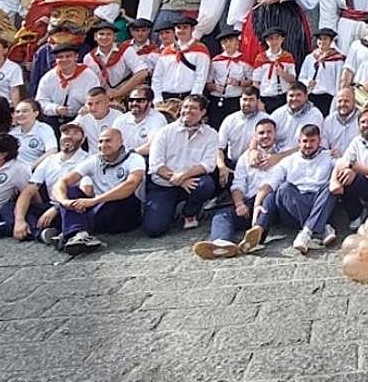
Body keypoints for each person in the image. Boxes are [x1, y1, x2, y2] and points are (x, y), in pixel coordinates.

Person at [193, 117, 283, 260]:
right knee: (222, 215)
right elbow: (238, 184)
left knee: (269, 198)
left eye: (269, 132)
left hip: (270, 204)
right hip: (248, 202)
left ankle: (257, 234)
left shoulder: (282, 157)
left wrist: (257, 204)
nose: (265, 136)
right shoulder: (245, 157)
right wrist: (239, 204)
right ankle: (222, 244)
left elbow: (271, 185)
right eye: (261, 133)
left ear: (275, 134)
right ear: (255, 136)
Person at [52, 127, 146, 253]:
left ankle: (68, 232)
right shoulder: (94, 160)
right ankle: (78, 234)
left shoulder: (134, 158)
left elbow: (131, 184)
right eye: (100, 141)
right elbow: (62, 182)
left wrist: (95, 201)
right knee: (70, 190)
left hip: (125, 210)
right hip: (100, 208)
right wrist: (65, 202)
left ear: (120, 142)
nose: (103, 145)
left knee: (119, 197)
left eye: (108, 141)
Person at [0, 121, 87, 244]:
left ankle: (13, 228)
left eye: (75, 133)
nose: (69, 136)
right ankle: (33, 231)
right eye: (66, 133)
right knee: (9, 207)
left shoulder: (87, 159)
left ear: (83, 139)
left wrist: (57, 207)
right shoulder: (50, 160)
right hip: (49, 205)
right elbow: (29, 190)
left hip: (70, 207)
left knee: (72, 195)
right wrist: (19, 220)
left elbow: (84, 193)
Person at [143, 96, 218, 237]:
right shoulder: (165, 132)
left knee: (206, 185)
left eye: (193, 108)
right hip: (163, 185)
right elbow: (156, 165)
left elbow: (208, 165)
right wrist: (179, 180)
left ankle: (189, 212)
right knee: (154, 229)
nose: (188, 111)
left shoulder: (211, 134)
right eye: (185, 107)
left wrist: (183, 176)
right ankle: (170, 209)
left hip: (191, 182)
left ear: (203, 112)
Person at [274, 123, 337, 254]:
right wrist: (259, 202)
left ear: (319, 141)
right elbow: (272, 181)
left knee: (330, 187)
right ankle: (322, 227)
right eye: (304, 141)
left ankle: (306, 233)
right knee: (284, 188)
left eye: (312, 141)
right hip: (296, 204)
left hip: (319, 201)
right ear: (299, 141)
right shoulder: (289, 160)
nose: (308, 145)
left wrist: (341, 164)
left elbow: (342, 166)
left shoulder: (329, 156)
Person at [83, 20, 148, 106]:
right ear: (95, 37)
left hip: (127, 94)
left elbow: (142, 73)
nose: (105, 37)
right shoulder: (89, 58)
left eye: (109, 34)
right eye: (101, 34)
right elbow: (88, 83)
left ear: (115, 37)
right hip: (103, 97)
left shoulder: (126, 50)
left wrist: (120, 92)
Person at [151, 18, 211, 103]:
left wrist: (193, 99)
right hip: (166, 97)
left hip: (188, 96)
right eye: (178, 27)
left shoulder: (200, 50)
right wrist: (157, 98)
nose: (181, 30)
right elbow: (157, 77)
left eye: (185, 27)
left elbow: (201, 77)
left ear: (192, 29)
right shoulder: (166, 51)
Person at [35, 43, 100, 120]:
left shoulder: (89, 76)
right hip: (53, 117)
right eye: (60, 57)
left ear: (76, 57)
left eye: (68, 56)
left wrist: (86, 108)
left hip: (82, 117)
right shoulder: (48, 77)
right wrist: (55, 109)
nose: (64, 60)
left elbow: (96, 98)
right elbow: (41, 101)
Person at [299, 28, 345, 117]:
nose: (322, 42)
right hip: (311, 95)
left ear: (331, 41)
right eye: (320, 39)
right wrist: (307, 82)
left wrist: (337, 98)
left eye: (325, 39)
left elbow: (338, 81)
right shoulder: (310, 58)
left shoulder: (337, 60)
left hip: (328, 97)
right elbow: (301, 77)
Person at [251, 27, 298, 113]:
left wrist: (282, 73)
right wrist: (258, 101)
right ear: (266, 41)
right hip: (265, 97)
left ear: (282, 39)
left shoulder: (287, 57)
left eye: (277, 38)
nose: (274, 42)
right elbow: (256, 82)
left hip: (283, 96)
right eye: (271, 39)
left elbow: (293, 79)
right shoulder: (260, 58)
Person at [217, 87, 264, 172]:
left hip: (257, 165)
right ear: (240, 100)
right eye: (244, 99)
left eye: (251, 100)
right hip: (232, 165)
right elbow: (219, 147)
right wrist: (222, 167)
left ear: (257, 101)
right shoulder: (230, 120)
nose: (247, 103)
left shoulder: (265, 119)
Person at [111, 87, 168, 155]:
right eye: (131, 100)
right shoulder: (120, 120)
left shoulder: (158, 119)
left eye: (139, 100)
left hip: (147, 158)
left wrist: (128, 155)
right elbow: (111, 142)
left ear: (149, 103)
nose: (134, 103)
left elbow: (152, 146)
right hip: (122, 157)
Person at [270, 84, 326, 154]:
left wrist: (279, 157)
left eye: (298, 95)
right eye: (291, 96)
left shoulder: (315, 114)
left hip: (303, 155)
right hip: (277, 154)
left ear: (306, 96)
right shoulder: (278, 113)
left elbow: (310, 144)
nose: (294, 99)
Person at [8, 99, 58, 167]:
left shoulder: (44, 128)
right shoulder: (12, 133)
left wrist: (32, 167)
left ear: (36, 113)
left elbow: (52, 151)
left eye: (25, 111)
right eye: (17, 112)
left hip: (36, 169)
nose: (20, 114)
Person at [73, 86, 116, 152]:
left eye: (97, 103)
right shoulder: (84, 116)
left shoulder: (118, 118)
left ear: (107, 102)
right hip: (92, 156)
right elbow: (69, 131)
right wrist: (80, 116)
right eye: (90, 104)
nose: (93, 108)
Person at [321, 90, 359, 156]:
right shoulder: (329, 121)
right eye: (340, 101)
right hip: (333, 159)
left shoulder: (362, 119)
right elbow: (323, 146)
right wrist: (329, 152)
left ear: (354, 102)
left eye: (346, 101)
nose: (342, 104)